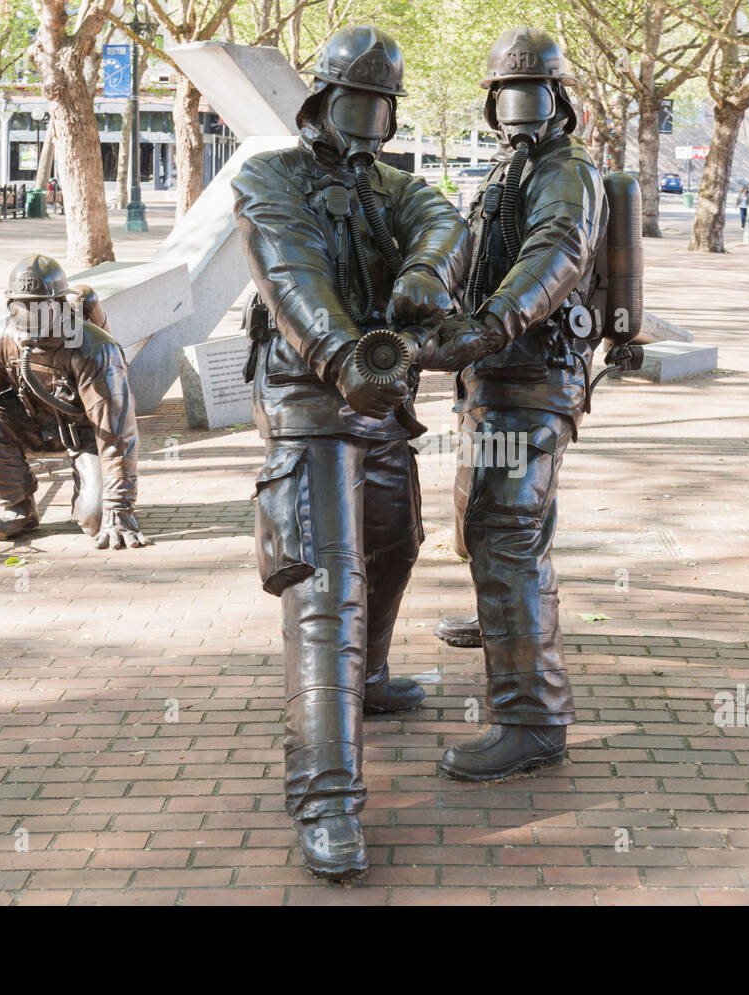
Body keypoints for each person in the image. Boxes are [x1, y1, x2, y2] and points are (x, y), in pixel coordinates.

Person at [231, 24, 470, 882]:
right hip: (309, 391)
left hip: (384, 394)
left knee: (395, 543)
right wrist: (342, 358)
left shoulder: (394, 187)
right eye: (354, 101)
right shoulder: (268, 176)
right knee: (327, 585)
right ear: (322, 100)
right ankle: (328, 797)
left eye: (380, 106)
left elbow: (440, 216)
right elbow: (291, 273)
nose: (366, 120)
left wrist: (427, 274)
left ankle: (364, 679)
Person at [425, 26, 608, 781]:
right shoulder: (509, 171)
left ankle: (532, 719)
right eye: (506, 95)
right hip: (497, 379)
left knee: (506, 529)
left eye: (530, 94)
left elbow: (556, 251)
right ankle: (505, 622)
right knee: (506, 527)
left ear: (559, 100)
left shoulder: (565, 173)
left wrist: (490, 324)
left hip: (531, 380)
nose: (517, 109)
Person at [0, 255, 147, 550]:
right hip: (33, 424)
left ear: (61, 305)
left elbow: (118, 433)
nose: (29, 316)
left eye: (39, 307)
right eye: (20, 307)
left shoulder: (95, 348)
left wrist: (119, 507)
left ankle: (98, 502)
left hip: (87, 435)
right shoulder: (0, 338)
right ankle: (18, 507)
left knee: (96, 518)